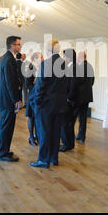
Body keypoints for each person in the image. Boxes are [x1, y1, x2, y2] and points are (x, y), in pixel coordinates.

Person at [30, 39, 69, 168]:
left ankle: (43, 159)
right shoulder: (64, 64)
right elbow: (67, 85)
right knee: (55, 132)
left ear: (48, 50)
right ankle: (53, 158)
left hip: (46, 105)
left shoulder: (46, 64)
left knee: (44, 132)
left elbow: (40, 85)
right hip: (60, 104)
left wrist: (37, 102)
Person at [0, 36, 22, 162]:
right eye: (18, 44)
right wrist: (16, 99)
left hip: (3, 98)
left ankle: (2, 150)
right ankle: (2, 152)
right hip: (7, 99)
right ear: (12, 45)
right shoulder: (9, 59)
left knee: (4, 125)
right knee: (6, 126)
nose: (20, 46)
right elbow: (11, 82)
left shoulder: (6, 58)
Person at [73, 51, 95, 144]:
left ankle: (71, 136)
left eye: (78, 56)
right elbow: (92, 80)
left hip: (78, 97)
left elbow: (76, 83)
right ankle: (82, 137)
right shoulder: (90, 66)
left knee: (73, 117)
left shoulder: (79, 67)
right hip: (87, 96)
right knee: (83, 118)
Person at [60, 48, 77, 152]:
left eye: (64, 56)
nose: (63, 58)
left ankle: (67, 144)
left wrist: (68, 98)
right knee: (69, 123)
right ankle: (70, 143)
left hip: (70, 100)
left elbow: (73, 85)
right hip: (70, 99)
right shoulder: (70, 67)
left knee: (66, 123)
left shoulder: (73, 68)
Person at [25, 52, 43, 146]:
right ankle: (31, 137)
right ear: (35, 59)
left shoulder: (42, 68)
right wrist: (36, 85)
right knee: (31, 117)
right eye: (41, 57)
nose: (43, 59)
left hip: (40, 97)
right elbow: (28, 84)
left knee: (37, 118)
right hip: (32, 97)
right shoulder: (30, 68)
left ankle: (37, 135)